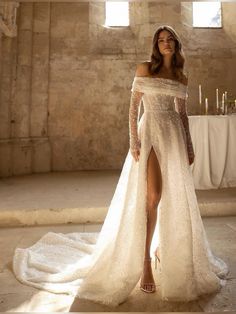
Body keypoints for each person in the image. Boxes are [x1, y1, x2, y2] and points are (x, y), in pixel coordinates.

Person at [13, 25, 228, 307]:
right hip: (150, 131)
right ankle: (145, 261)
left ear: (176, 45)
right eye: (161, 40)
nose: (165, 43)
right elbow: (133, 106)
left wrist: (189, 145)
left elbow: (182, 115)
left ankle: (164, 249)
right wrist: (134, 140)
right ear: (156, 45)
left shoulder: (181, 76)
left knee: (173, 196)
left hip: (173, 135)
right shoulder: (144, 69)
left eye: (169, 40)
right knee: (152, 197)